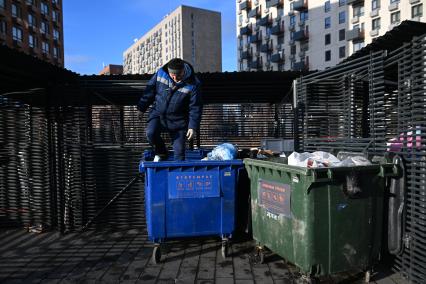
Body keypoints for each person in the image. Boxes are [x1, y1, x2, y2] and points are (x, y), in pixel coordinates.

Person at [137, 58, 203, 161]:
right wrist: (141, 108)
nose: (175, 78)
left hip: (179, 121)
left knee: (179, 153)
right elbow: (149, 91)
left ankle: (177, 174)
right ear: (168, 71)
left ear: (183, 70)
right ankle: (161, 151)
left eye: (179, 75)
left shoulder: (194, 83)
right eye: (173, 75)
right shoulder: (160, 73)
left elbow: (195, 107)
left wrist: (192, 127)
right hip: (158, 114)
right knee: (151, 133)